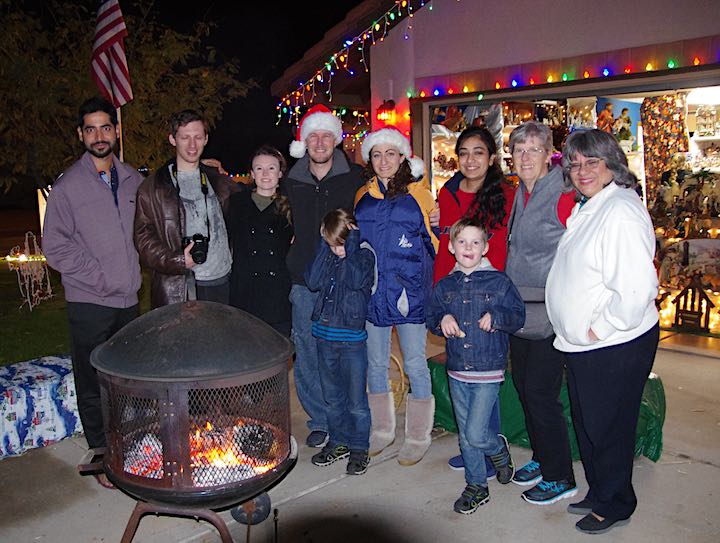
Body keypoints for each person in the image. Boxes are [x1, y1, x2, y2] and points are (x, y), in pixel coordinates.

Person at [546, 129, 659, 534]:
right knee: (589, 422)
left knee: (609, 426)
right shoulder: (593, 205)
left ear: (612, 163)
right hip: (585, 344)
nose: (581, 171)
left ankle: (617, 503)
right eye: (574, 164)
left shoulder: (621, 212)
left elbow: (637, 289)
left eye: (591, 162)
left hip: (614, 343)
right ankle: (600, 490)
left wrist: (599, 327)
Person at [42, 97, 144, 489]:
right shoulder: (68, 187)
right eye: (91, 129)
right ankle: (103, 454)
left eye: (105, 127)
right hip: (90, 301)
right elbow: (56, 245)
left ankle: (131, 443)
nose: (99, 136)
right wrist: (97, 277)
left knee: (127, 379)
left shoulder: (134, 179)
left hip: (129, 301)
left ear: (116, 131)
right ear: (81, 135)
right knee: (92, 381)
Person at [427, 218, 525, 514]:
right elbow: (432, 318)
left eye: (475, 242)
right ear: (450, 246)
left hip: (488, 370)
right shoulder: (445, 285)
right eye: (462, 242)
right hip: (457, 370)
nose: (468, 247)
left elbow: (517, 316)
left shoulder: (500, 282)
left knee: (475, 433)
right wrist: (442, 319)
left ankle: (497, 450)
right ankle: (476, 485)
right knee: (466, 434)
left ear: (486, 247)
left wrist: (497, 318)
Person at [434, 126, 516, 473]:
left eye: (478, 152)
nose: (470, 159)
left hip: (489, 295)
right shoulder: (447, 192)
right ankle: (472, 444)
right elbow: (444, 241)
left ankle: (486, 444)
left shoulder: (507, 195)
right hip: (452, 291)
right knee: (462, 374)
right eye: (464, 152)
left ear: (491, 158)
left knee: (486, 374)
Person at [354, 126, 438, 466]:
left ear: (402, 157)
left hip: (409, 293)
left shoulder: (420, 194)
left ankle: (418, 434)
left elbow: (435, 241)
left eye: (391, 153)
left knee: (416, 363)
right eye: (377, 154)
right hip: (373, 294)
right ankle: (382, 428)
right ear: (370, 160)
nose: (384, 160)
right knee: (375, 364)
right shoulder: (363, 195)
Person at [284, 104, 366, 448]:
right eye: (312, 136)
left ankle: (347, 418)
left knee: (345, 354)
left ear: (336, 139)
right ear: (304, 141)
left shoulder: (356, 177)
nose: (319, 142)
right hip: (304, 280)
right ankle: (320, 419)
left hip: (344, 280)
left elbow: (394, 186)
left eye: (326, 135)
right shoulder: (291, 182)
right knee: (307, 350)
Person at [504, 121, 578, 504]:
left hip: (550, 312)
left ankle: (560, 475)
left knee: (540, 393)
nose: (525, 157)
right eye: (519, 150)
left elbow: (580, 245)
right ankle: (543, 456)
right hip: (520, 311)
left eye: (534, 149)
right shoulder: (520, 192)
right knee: (523, 388)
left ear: (548, 153)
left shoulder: (563, 192)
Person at [134, 109, 240, 308]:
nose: (192, 145)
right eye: (185, 137)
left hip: (223, 281)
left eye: (198, 137)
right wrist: (179, 261)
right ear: (173, 139)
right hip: (181, 287)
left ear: (206, 139)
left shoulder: (218, 181)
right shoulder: (152, 187)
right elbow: (143, 241)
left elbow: (247, 209)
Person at [305, 209, 375, 475]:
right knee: (332, 398)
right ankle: (339, 441)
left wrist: (352, 244)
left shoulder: (363, 256)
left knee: (356, 401)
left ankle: (359, 448)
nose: (337, 251)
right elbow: (312, 281)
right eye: (332, 245)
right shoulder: (330, 256)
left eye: (340, 244)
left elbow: (356, 280)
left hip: (352, 343)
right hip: (325, 338)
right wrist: (325, 245)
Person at [228, 146, 293, 336]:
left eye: (271, 168)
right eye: (259, 168)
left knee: (279, 352)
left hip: (277, 294)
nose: (265, 174)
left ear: (280, 173)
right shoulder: (236, 203)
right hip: (245, 292)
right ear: (251, 174)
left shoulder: (291, 206)